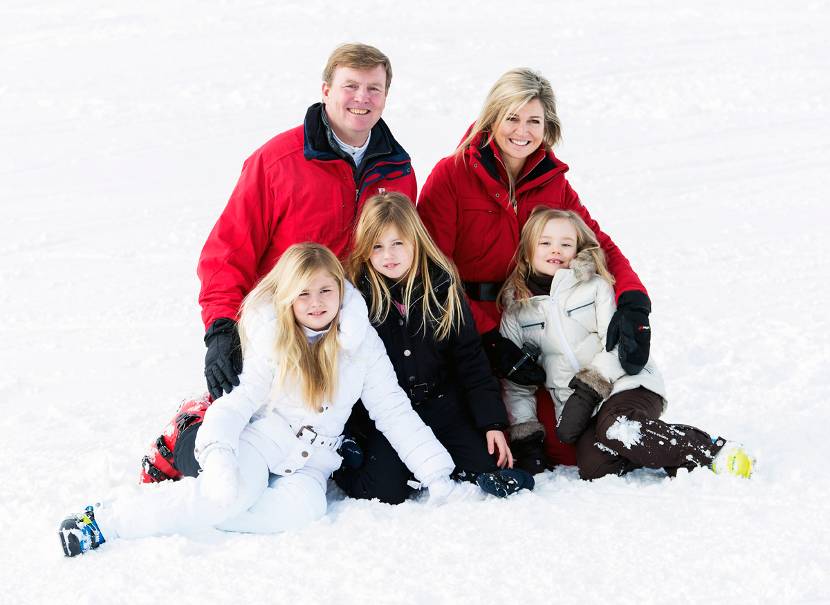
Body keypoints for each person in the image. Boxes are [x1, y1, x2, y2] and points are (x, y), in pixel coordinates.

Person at [58, 243, 455, 557]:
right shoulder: (275, 337)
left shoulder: (361, 343)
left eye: (325, 290)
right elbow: (242, 399)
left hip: (313, 463)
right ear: (288, 298)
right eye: (303, 293)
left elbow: (392, 409)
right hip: (263, 441)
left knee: (302, 513)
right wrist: (219, 450)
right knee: (223, 496)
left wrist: (436, 473)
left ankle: (187, 510)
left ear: (340, 290)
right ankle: (107, 521)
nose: (316, 302)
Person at [417, 67, 653, 469]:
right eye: (512, 117)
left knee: (566, 446)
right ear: (492, 118)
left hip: (531, 324)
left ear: (549, 127)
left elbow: (598, 244)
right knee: (489, 440)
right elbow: (431, 271)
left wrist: (633, 301)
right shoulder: (451, 175)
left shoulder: (552, 182)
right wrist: (490, 338)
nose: (522, 131)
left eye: (534, 121)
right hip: (464, 324)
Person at [199, 43, 416, 402]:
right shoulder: (276, 162)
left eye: (373, 88)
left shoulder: (398, 171)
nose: (362, 97)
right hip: (284, 328)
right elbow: (228, 252)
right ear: (326, 90)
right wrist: (221, 328)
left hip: (357, 334)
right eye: (350, 85)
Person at [498, 207, 754, 480]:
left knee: (617, 427)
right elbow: (517, 386)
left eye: (566, 244)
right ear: (527, 250)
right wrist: (527, 439)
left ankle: (710, 451)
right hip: (577, 410)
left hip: (627, 383)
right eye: (545, 243)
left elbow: (616, 343)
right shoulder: (516, 312)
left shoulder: (594, 286)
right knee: (594, 468)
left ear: (577, 249)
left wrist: (587, 389)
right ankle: (655, 446)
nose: (556, 250)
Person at [333, 193, 535, 502]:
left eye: (397, 243)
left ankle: (442, 463)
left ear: (415, 240)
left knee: (486, 465)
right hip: (390, 413)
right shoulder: (357, 295)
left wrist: (492, 424)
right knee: (386, 490)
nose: (389, 255)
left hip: (441, 403)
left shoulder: (443, 286)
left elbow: (471, 360)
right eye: (377, 246)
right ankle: (353, 463)